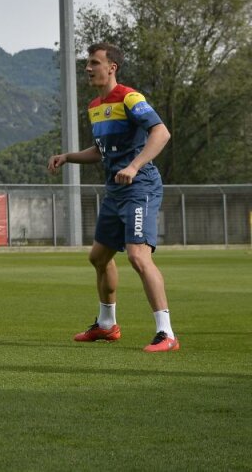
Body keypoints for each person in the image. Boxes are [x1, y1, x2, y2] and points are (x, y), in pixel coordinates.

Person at [48, 42, 179, 352]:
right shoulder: (95, 106)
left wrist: (134, 166)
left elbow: (161, 132)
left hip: (140, 186)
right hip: (115, 190)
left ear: (112, 67)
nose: (88, 68)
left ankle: (167, 334)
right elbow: (101, 151)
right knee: (98, 257)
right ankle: (107, 325)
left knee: (137, 256)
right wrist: (68, 156)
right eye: (87, 64)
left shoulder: (130, 98)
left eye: (94, 63)